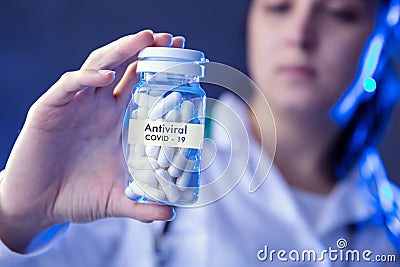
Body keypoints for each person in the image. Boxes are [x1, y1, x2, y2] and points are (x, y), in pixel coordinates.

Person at [0, 0, 399, 266]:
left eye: (340, 12)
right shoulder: (132, 171)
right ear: (251, 25)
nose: (300, 35)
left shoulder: (390, 224)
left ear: (385, 38)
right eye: (279, 7)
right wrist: (18, 215)